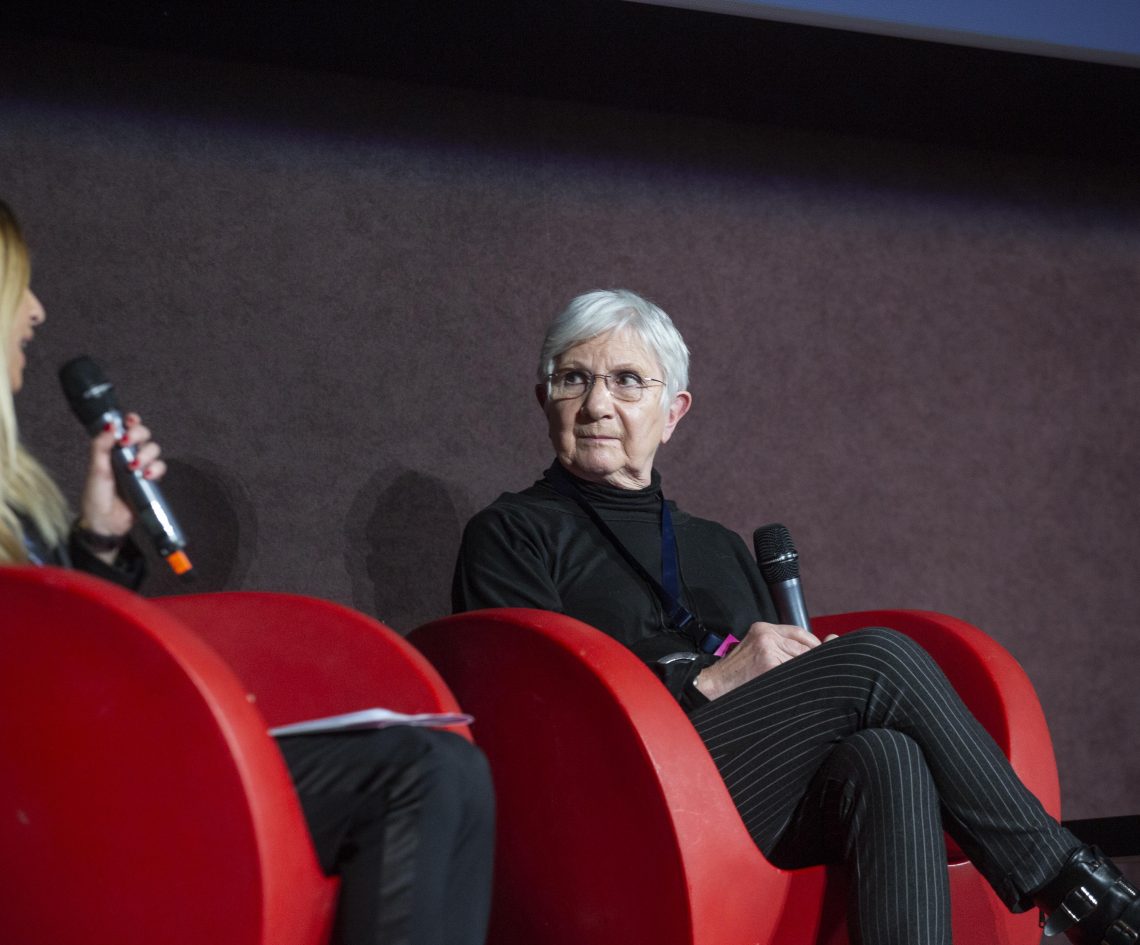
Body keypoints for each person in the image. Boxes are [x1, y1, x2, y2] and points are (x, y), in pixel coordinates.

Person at [452, 288, 1139, 945]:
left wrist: (796, 674)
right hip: (619, 801)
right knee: (879, 657)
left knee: (887, 756)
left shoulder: (718, 546)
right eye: (574, 378)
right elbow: (537, 723)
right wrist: (710, 682)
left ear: (673, 411)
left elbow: (774, 706)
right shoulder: (511, 533)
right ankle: (1083, 893)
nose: (598, 403)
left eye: (627, 380)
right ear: (544, 399)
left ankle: (1079, 898)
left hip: (743, 795)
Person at [0, 198, 494, 945]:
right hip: (51, 788)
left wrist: (98, 539)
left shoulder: (17, 491)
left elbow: (66, 656)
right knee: (415, 772)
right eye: (20, 288)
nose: (37, 311)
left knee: (450, 766)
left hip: (96, 759)